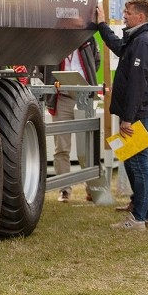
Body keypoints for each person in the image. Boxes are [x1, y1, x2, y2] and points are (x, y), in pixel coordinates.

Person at [96, 0, 148, 231]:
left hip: (138, 113)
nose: (124, 15)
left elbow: (138, 83)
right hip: (141, 112)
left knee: (139, 165)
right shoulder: (137, 38)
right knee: (141, 164)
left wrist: (127, 117)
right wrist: (102, 25)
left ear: (141, 17)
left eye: (128, 12)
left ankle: (138, 220)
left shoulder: (144, 42)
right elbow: (118, 46)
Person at [46, 37, 100, 202]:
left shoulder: (87, 40)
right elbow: (43, 67)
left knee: (87, 147)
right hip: (61, 98)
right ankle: (64, 189)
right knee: (61, 147)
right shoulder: (53, 41)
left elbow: (95, 62)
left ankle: (92, 189)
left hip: (83, 96)